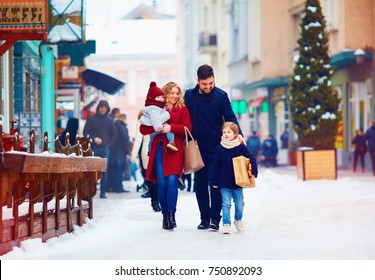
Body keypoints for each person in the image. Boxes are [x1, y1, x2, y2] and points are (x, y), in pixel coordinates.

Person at [184, 64, 244, 231]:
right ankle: (204, 218)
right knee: (200, 184)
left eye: (211, 83)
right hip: (197, 148)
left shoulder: (221, 96)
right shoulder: (190, 95)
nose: (208, 87)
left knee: (216, 184)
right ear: (198, 81)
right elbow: (181, 115)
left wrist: (239, 134)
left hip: (218, 149)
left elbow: (230, 116)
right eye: (205, 84)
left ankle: (215, 219)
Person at [140, 81, 192, 230]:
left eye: (177, 93)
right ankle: (165, 216)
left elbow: (188, 128)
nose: (175, 96)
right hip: (159, 148)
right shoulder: (156, 107)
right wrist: (154, 126)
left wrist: (171, 127)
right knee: (162, 183)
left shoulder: (182, 109)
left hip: (175, 149)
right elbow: (144, 129)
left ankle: (172, 215)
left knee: (172, 182)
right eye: (171, 93)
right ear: (165, 94)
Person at [212, 122, 258, 234]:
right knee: (226, 203)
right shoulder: (219, 149)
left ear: (235, 134)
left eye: (229, 132)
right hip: (224, 182)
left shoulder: (240, 147)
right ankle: (226, 224)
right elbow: (215, 166)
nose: (226, 134)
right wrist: (215, 181)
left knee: (239, 204)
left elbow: (251, 158)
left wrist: (254, 172)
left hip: (238, 182)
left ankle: (238, 220)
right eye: (224, 132)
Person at [83, 100, 117, 198]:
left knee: (104, 171)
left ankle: (103, 192)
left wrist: (108, 145)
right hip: (94, 148)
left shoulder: (110, 120)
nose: (103, 109)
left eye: (105, 107)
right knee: (92, 171)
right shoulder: (91, 119)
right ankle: (91, 192)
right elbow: (85, 132)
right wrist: (93, 139)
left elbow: (114, 134)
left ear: (107, 109)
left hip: (105, 149)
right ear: (98, 108)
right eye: (101, 107)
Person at [130, 109, 161, 212]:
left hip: (156, 151)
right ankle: (155, 201)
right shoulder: (142, 124)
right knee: (153, 179)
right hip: (147, 153)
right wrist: (134, 155)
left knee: (155, 178)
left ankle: (156, 201)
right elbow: (138, 139)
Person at [140, 82, 178, 152]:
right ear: (152, 98)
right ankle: (171, 142)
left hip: (152, 127)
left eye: (161, 97)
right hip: (156, 127)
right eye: (158, 97)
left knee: (152, 138)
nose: (160, 99)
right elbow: (155, 118)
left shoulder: (155, 106)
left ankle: (150, 150)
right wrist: (159, 126)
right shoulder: (153, 108)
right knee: (169, 129)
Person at [107, 113, 131, 193]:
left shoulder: (113, 125)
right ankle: (118, 187)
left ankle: (111, 186)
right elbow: (125, 139)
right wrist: (127, 151)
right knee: (119, 169)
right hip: (120, 151)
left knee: (112, 169)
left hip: (112, 150)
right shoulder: (123, 127)